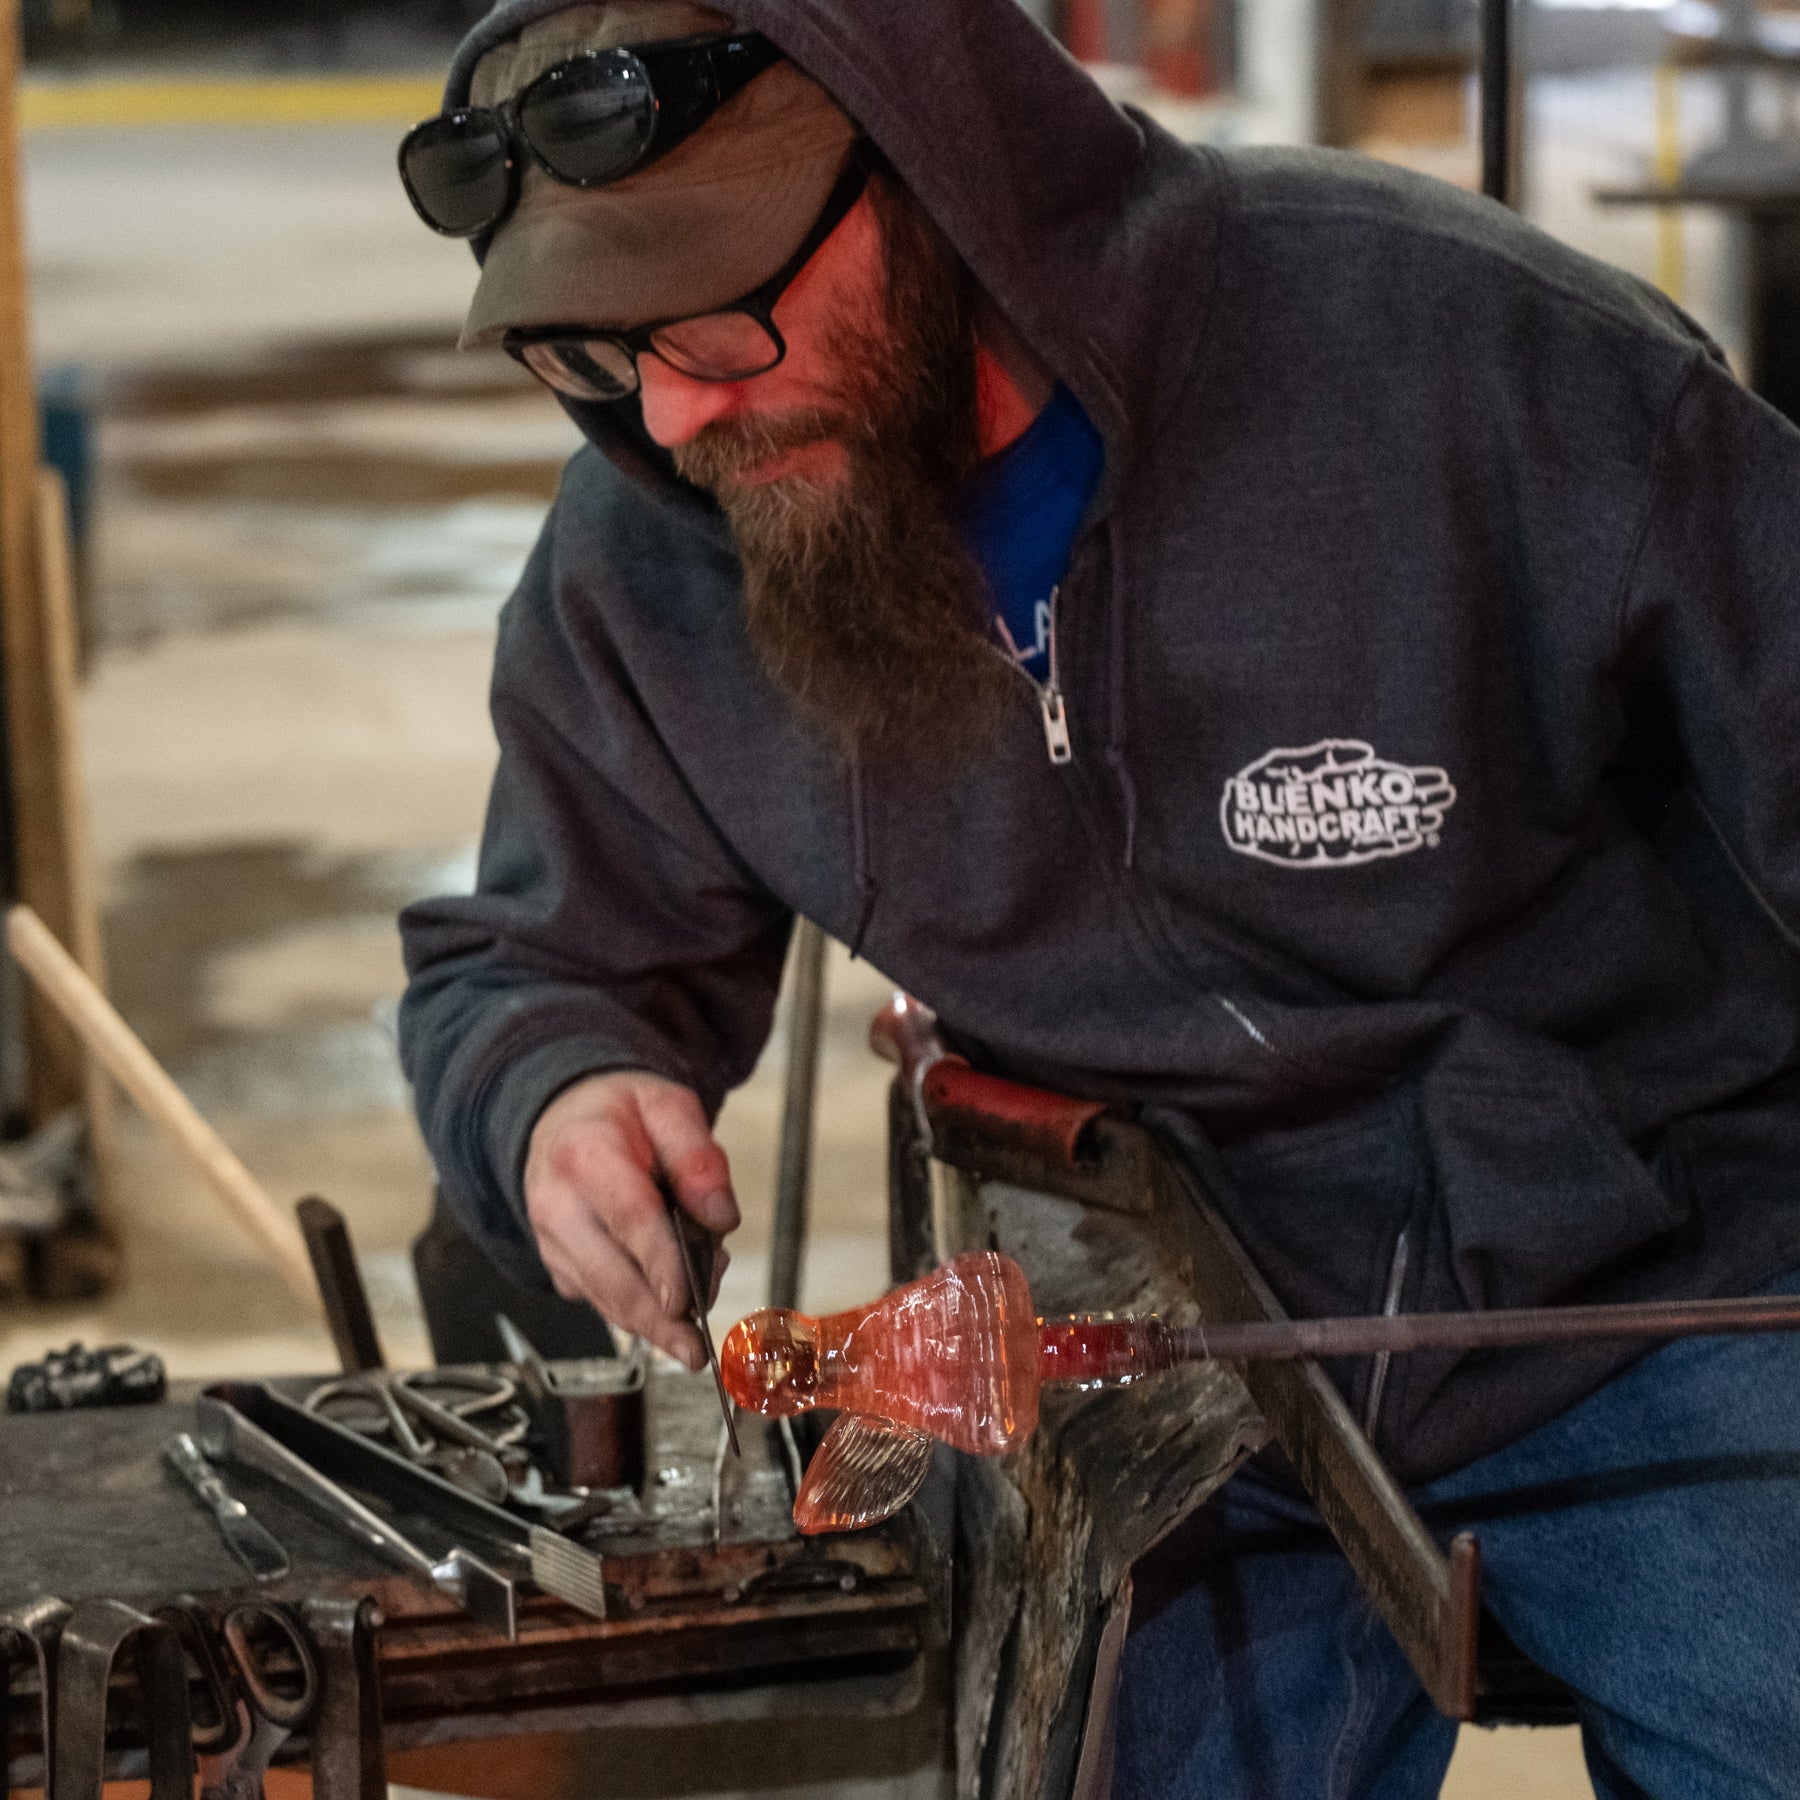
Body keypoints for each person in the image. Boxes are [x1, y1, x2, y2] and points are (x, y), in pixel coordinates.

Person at [396, 0, 1800, 1791]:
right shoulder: (661, 548)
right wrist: (556, 1093)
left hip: (1643, 1288)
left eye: (711, 316)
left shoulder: (1468, 359)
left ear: (943, 189)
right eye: (594, 355)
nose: (676, 410)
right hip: (1140, 1347)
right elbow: (528, 954)